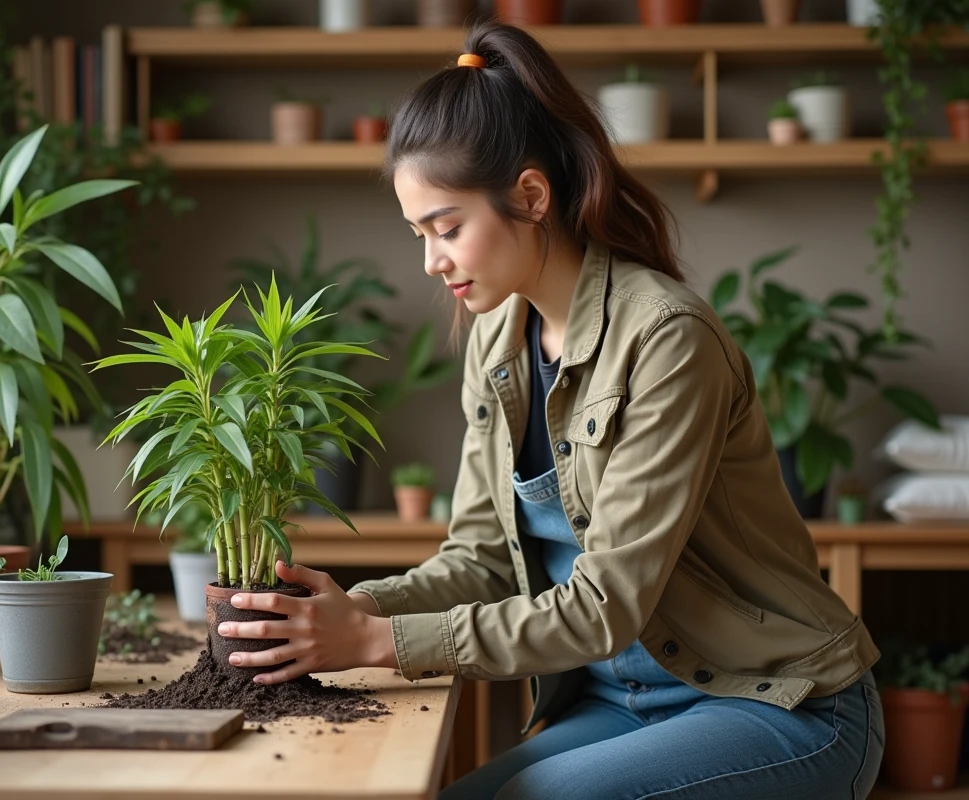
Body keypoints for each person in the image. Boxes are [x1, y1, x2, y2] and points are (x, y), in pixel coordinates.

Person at [217, 21, 884, 800]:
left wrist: (376, 640)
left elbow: (605, 606)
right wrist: (355, 609)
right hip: (624, 703)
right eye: (420, 234)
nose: (432, 261)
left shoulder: (667, 338)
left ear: (531, 197)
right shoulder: (497, 338)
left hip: (781, 703)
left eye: (448, 228)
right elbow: (481, 563)